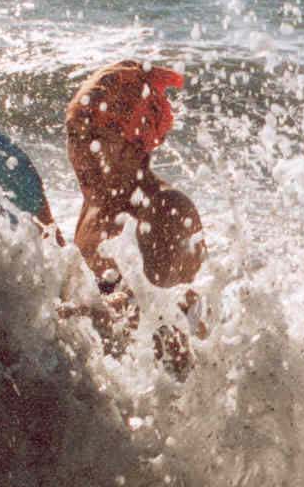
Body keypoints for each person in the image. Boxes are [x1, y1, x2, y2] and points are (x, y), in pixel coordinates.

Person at [57, 59, 207, 375]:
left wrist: (88, 311)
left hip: (174, 381)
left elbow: (157, 315)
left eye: (95, 137)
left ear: (134, 145)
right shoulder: (95, 205)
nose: (79, 152)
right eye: (73, 135)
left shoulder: (166, 209)